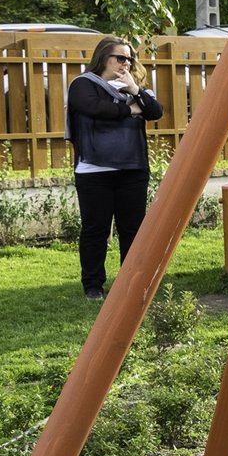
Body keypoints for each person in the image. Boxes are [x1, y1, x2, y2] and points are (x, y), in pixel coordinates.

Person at [65, 36, 164, 300]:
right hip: (94, 171)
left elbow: (155, 112)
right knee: (95, 230)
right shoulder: (83, 85)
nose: (126, 63)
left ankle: (129, 284)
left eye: (130, 58)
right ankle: (93, 285)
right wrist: (131, 110)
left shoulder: (135, 90)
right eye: (120, 58)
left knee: (133, 230)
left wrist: (134, 90)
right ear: (103, 58)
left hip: (133, 170)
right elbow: (95, 109)